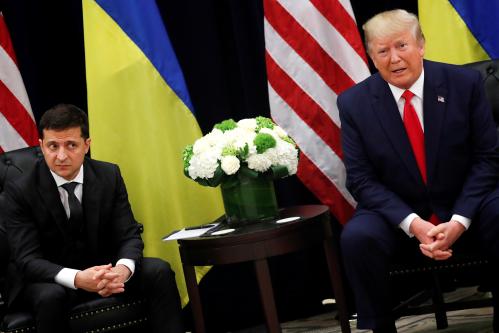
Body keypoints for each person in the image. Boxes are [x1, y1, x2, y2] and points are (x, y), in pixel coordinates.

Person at [337, 9, 499, 333]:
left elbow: (488, 158)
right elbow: (361, 178)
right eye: (382, 51)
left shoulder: (464, 84)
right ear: (371, 56)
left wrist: (459, 219)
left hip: (466, 203)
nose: (394, 58)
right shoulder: (353, 103)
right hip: (399, 214)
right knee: (357, 237)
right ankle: (380, 327)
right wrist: (414, 224)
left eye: (402, 46)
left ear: (421, 45)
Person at [2, 104, 183, 333]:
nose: (61, 156)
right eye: (52, 146)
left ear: (87, 145)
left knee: (158, 270)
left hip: (104, 270)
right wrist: (77, 278)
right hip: (50, 279)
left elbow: (129, 235)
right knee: (50, 296)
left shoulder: (109, 175)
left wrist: (121, 270)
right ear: (41, 146)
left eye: (71, 145)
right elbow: (27, 259)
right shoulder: (20, 190)